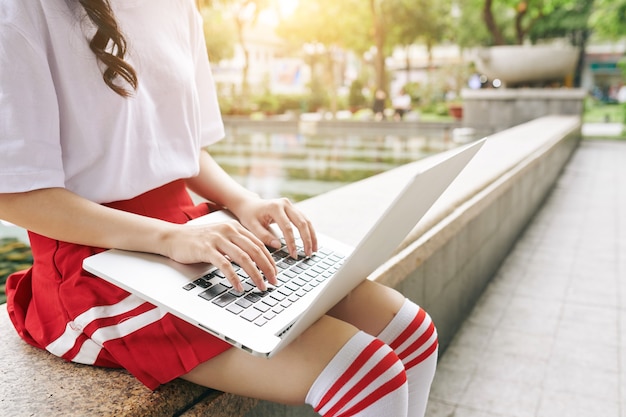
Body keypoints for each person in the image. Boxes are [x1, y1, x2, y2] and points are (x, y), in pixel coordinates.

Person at [0, 1, 438, 416]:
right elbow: (14, 194)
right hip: (94, 261)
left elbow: (187, 151)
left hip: (196, 233)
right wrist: (170, 238)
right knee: (369, 376)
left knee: (414, 333)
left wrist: (244, 201)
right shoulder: (21, 10)